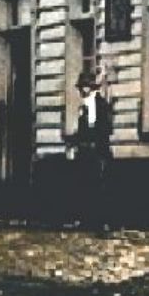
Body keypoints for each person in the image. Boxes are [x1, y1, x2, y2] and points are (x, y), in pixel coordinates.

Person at [65, 68, 113, 231]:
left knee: (101, 186)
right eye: (81, 88)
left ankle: (103, 221)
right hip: (85, 151)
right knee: (84, 185)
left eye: (85, 87)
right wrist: (74, 144)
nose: (82, 91)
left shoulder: (101, 105)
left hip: (99, 151)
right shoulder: (82, 107)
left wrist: (93, 136)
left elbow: (107, 129)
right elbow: (81, 131)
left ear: (91, 88)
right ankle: (86, 220)